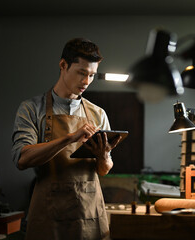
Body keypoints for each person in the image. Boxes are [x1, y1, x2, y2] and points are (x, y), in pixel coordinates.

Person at [11, 38, 120, 240]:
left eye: (92, 75)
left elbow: (104, 171)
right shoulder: (31, 109)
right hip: (48, 214)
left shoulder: (98, 114)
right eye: (81, 73)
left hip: (88, 214)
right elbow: (22, 159)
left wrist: (104, 157)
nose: (86, 81)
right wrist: (70, 138)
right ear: (63, 65)